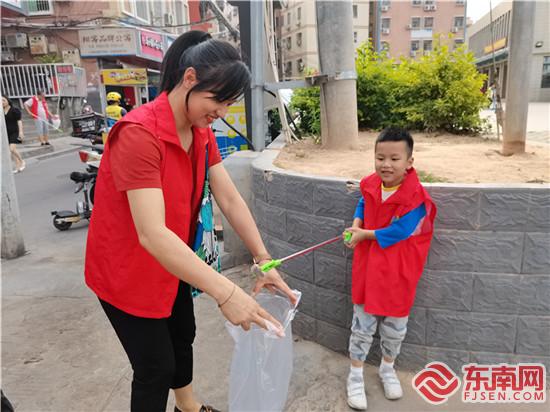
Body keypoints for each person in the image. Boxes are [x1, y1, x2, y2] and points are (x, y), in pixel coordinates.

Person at [85, 30, 297, 412]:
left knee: (183, 335)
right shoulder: (139, 134)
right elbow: (152, 234)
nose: (221, 112)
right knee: (155, 368)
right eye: (218, 100)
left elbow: (229, 198)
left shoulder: (201, 131)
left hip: (174, 263)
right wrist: (227, 293)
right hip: (127, 271)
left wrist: (263, 260)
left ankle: (187, 406)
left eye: (228, 103)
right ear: (189, 79)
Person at [343, 127, 436, 410]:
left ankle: (387, 368)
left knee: (395, 328)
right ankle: (355, 376)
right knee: (362, 326)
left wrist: (364, 235)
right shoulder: (371, 184)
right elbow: (363, 202)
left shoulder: (415, 196)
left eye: (395, 159)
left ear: (409, 162)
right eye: (380, 158)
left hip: (398, 272)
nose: (386, 164)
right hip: (369, 268)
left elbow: (402, 230)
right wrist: (357, 224)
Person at [3, 96, 26, 173]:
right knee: (13, 151)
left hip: (14, 132)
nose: (2, 102)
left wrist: (21, 132)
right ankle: (17, 166)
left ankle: (22, 161)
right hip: (6, 133)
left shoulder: (14, 110)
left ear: (8, 100)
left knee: (12, 149)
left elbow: (19, 121)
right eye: (1, 101)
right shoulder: (1, 111)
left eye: (3, 100)